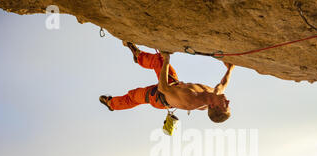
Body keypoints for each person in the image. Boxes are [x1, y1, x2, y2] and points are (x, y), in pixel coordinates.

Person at [99, 42, 234, 123]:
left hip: (159, 96)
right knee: (158, 61)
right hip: (174, 86)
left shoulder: (190, 100)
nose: (228, 102)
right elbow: (223, 84)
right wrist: (230, 69)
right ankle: (138, 56)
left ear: (212, 106)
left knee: (133, 96)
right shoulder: (215, 94)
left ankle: (112, 104)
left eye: (225, 105)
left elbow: (163, 87)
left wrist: (168, 60)